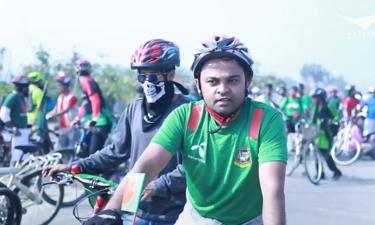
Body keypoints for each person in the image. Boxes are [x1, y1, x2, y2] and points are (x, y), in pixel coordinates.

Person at [79, 35, 287, 225]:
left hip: (246, 220)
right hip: (196, 217)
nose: (222, 89)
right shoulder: (184, 115)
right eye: (212, 81)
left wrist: (160, 187)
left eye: (232, 80)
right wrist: (113, 210)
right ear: (198, 84)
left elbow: (272, 191)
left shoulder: (266, 119)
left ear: (247, 81)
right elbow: (143, 168)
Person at [43, 39, 189, 225]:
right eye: (142, 77)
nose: (147, 83)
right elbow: (115, 151)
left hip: (171, 214)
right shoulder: (133, 110)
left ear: (170, 74)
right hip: (131, 203)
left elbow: (194, 164)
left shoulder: (187, 111)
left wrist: (161, 185)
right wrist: (75, 166)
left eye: (153, 76)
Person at [72, 59, 113, 157]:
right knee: (85, 151)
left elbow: (95, 99)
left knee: (93, 154)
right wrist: (77, 118)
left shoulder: (86, 80)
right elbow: (85, 103)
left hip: (100, 122)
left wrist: (95, 118)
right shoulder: (85, 81)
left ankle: (105, 171)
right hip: (92, 122)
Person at [310, 88, 342, 180]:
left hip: (326, 135)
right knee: (315, 154)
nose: (313, 99)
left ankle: (336, 172)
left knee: (326, 156)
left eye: (315, 97)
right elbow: (312, 120)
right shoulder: (315, 108)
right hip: (316, 134)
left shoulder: (328, 106)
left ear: (321, 98)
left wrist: (330, 121)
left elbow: (337, 117)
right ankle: (320, 173)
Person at [0, 75, 30, 164]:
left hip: (22, 131)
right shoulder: (12, 97)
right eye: (26, 87)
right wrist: (13, 128)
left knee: (23, 157)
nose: (27, 89)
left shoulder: (21, 98)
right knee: (15, 157)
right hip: (16, 133)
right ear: (21, 87)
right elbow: (3, 114)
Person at [46, 73, 79, 148]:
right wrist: (47, 115)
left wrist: (53, 116)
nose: (58, 87)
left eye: (60, 85)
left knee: (71, 149)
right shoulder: (60, 97)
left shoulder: (72, 97)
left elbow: (66, 110)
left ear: (66, 85)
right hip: (63, 129)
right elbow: (56, 109)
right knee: (61, 150)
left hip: (71, 129)